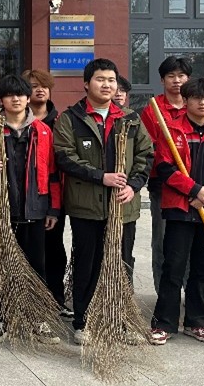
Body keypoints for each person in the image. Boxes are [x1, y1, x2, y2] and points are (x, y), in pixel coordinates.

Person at [55, 59, 152, 345]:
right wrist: (101, 177)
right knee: (87, 264)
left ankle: (119, 320)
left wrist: (133, 186)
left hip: (123, 207)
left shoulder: (130, 118)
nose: (107, 85)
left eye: (111, 80)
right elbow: (64, 157)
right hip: (87, 207)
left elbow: (146, 155)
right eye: (100, 79)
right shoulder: (71, 118)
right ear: (86, 84)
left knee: (121, 264)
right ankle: (83, 322)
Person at [0, 74, 61, 345]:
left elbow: (53, 173)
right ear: (1, 100)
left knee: (37, 266)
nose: (16, 99)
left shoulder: (42, 131)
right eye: (10, 95)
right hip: (3, 212)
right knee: (0, 265)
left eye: (21, 94)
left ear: (27, 98)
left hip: (34, 209)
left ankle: (38, 318)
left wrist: (53, 209)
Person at [149, 78, 204, 345]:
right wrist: (194, 190)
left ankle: (197, 322)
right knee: (173, 266)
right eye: (196, 98)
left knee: (203, 268)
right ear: (185, 101)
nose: (202, 103)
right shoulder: (172, 131)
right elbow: (165, 168)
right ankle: (164, 323)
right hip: (179, 208)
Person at [139, 57, 192, 292]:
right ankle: (164, 294)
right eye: (171, 76)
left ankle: (190, 293)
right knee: (162, 239)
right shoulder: (152, 110)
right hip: (162, 184)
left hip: (193, 186)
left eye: (181, 76)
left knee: (190, 241)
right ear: (162, 80)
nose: (177, 81)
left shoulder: (196, 105)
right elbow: (148, 148)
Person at [24, 67, 71, 318]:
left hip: (54, 195)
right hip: (25, 198)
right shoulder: (17, 120)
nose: (39, 90)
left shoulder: (61, 121)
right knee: (29, 251)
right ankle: (28, 300)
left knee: (54, 249)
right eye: (33, 86)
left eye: (43, 85)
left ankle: (55, 298)